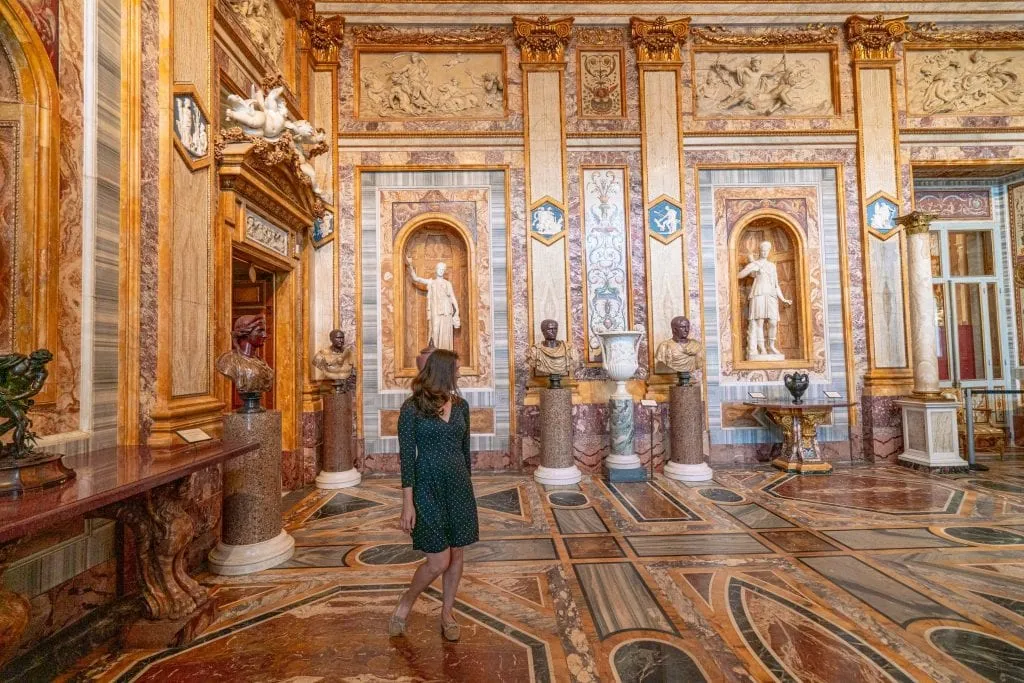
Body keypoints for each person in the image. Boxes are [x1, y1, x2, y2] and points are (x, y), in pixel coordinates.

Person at [389, 349, 478, 642]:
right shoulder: (411, 409)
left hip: (459, 489)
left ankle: (447, 613)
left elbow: (465, 454)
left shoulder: (462, 406)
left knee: (457, 554)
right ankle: (406, 601)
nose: (459, 373)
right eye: (456, 368)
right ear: (442, 371)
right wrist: (407, 504)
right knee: (438, 561)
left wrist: (467, 489)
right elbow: (406, 459)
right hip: (426, 488)